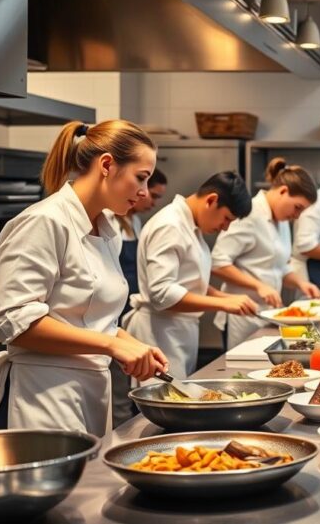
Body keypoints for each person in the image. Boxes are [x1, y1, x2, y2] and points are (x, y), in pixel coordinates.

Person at [0, 120, 168, 436]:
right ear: (107, 165)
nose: (144, 193)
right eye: (141, 178)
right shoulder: (44, 221)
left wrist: (131, 343)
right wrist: (111, 345)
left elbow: (90, 318)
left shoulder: (109, 231)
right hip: (42, 394)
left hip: (91, 388)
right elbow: (13, 321)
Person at [124, 171, 259, 380]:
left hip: (178, 331)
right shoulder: (170, 225)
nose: (225, 228)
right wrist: (222, 305)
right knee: (165, 406)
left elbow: (191, 281)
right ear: (211, 200)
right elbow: (162, 294)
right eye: (226, 219)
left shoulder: (191, 226)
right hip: (160, 332)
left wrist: (226, 298)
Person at [212, 158, 320, 350]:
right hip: (242, 316)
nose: (297, 216)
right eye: (297, 207)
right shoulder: (250, 214)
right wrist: (259, 286)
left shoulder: (281, 221)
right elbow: (218, 263)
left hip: (267, 315)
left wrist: (301, 283)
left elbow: (279, 267)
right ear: (283, 191)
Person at [108, 168, 167, 427]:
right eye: (141, 181)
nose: (148, 198)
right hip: (113, 313)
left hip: (122, 314)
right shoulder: (109, 220)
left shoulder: (134, 222)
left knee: (126, 386)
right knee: (118, 390)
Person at [111, 168, 167, 312]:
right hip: (115, 300)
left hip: (132, 299)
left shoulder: (135, 221)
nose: (154, 203)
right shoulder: (109, 220)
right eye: (153, 196)